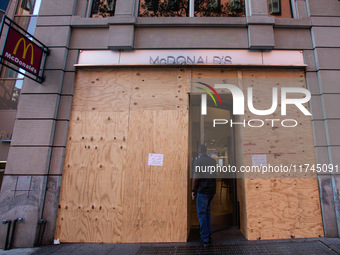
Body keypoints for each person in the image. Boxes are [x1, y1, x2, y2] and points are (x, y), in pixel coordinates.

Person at [191, 144, 217, 247]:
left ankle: (204, 238)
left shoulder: (198, 161)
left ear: (198, 152)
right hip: (212, 190)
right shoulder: (213, 161)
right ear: (206, 151)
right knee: (207, 213)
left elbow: (196, 178)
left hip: (203, 191)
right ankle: (209, 235)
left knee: (202, 214)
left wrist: (193, 190)